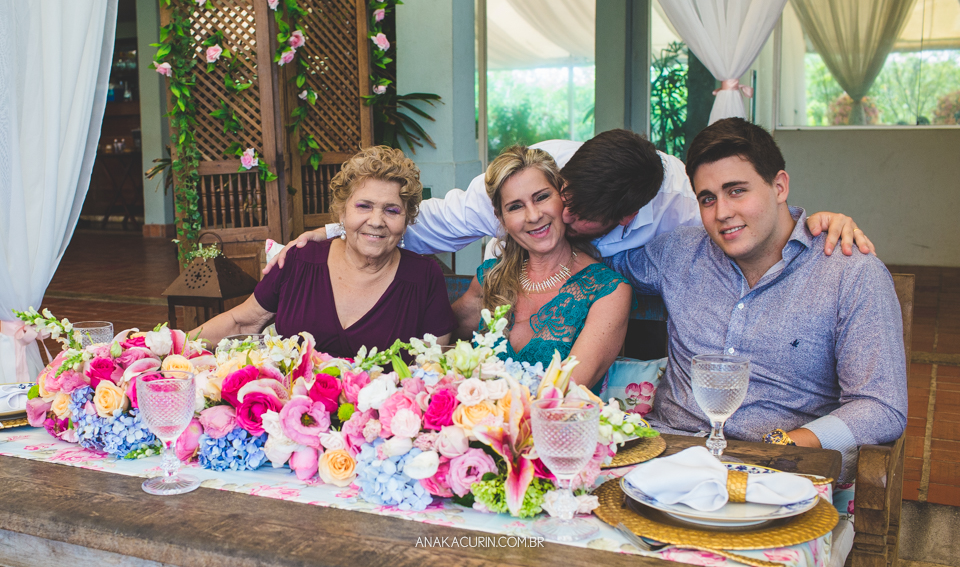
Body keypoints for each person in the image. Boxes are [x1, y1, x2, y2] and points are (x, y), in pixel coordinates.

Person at [606, 118, 907, 480]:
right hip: (666, 456)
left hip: (776, 471)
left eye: (737, 191)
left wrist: (787, 445)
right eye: (707, 198)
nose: (722, 213)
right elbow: (587, 262)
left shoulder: (848, 273)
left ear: (779, 186)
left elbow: (881, 406)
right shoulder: (678, 253)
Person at [263, 129, 874, 274]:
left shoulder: (685, 210)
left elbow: (753, 222)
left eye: (575, 218)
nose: (549, 219)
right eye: (560, 198)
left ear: (624, 222)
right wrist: (332, 237)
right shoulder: (539, 177)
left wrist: (819, 220)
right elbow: (430, 224)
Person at [193, 146, 457, 356]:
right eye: (364, 206)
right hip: (292, 416)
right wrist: (169, 346)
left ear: (407, 218)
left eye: (392, 210)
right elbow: (241, 323)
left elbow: (432, 365)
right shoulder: (298, 260)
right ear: (342, 211)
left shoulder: (424, 277)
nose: (377, 221)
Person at [451, 146, 633, 390]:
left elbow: (564, 393)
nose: (533, 215)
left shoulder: (607, 291)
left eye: (542, 197)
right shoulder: (491, 279)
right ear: (501, 217)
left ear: (563, 198)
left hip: (560, 426)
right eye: (515, 206)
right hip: (481, 424)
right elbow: (437, 339)